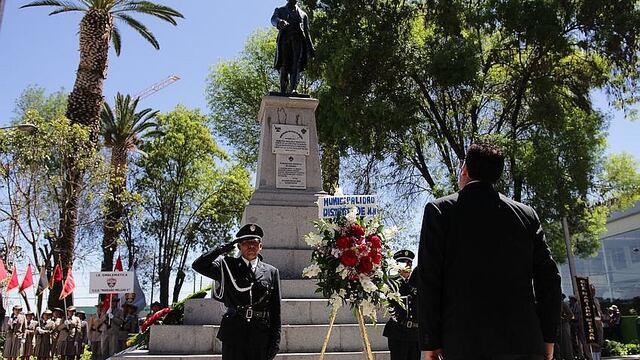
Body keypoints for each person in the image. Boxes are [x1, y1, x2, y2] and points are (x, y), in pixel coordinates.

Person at [417, 142, 562, 360]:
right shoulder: (527, 215)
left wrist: (430, 341)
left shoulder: (440, 211)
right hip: (523, 343)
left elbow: (429, 279)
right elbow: (550, 280)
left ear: (464, 170)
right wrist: (548, 337)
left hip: (464, 342)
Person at [193, 223, 282, 360]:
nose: (251, 246)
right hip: (234, 333)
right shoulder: (227, 266)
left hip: (260, 334)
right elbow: (198, 265)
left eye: (255, 242)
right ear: (239, 246)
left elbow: (276, 310)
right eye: (246, 243)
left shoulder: (271, 272)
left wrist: (275, 341)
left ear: (261, 247)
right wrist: (221, 249)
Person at [271, 0, 315, 94]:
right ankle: (283, 89)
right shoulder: (280, 10)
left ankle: (293, 89)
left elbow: (307, 32)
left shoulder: (303, 14)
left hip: (298, 40)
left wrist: (311, 49)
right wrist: (279, 22)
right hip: (285, 40)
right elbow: (273, 19)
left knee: (296, 64)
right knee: (284, 64)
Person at [383, 250, 420, 360]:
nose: (407, 266)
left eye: (409, 263)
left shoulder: (417, 282)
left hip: (415, 333)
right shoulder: (392, 283)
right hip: (398, 331)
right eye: (404, 263)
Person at [558, 295, 574, 360]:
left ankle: (569, 357)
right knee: (560, 342)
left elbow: (571, 314)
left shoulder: (563, 303)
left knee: (566, 342)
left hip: (564, 325)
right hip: (559, 325)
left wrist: (563, 320)